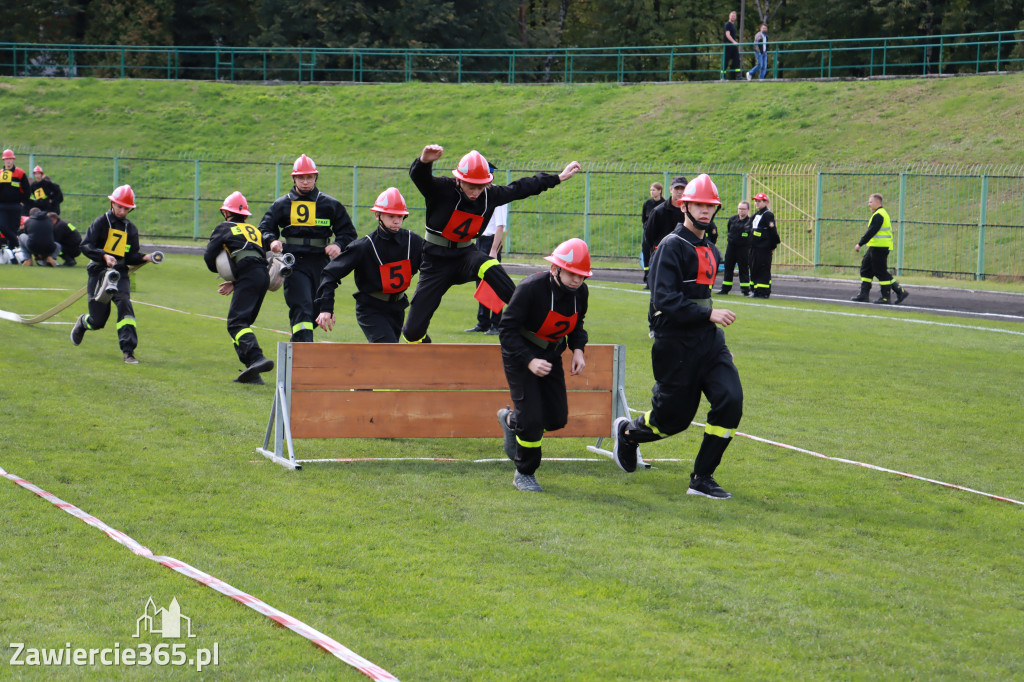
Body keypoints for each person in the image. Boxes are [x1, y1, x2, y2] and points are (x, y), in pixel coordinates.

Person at [611, 174, 742, 499]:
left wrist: (719, 350)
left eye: (710, 206)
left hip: (709, 343)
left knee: (730, 400)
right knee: (672, 421)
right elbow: (665, 300)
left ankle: (701, 478)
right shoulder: (670, 246)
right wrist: (708, 314)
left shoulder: (711, 248)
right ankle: (628, 434)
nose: (705, 211)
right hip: (675, 344)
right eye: (698, 204)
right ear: (685, 206)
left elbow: (701, 298)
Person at [402, 145, 581, 343]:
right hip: (435, 262)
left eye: (481, 186)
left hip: (465, 256)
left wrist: (558, 177)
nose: (476, 192)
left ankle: (527, 319)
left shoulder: (489, 195)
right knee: (411, 332)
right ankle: (424, 345)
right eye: (471, 186)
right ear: (459, 179)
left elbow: (522, 187)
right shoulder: (442, 189)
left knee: (489, 264)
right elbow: (420, 177)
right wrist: (425, 161)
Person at [497, 238, 591, 493]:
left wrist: (578, 350)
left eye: (582, 276)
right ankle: (524, 473)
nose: (577, 281)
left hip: (551, 356)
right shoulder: (530, 288)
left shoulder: (581, 292)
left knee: (557, 418)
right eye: (572, 273)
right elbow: (506, 331)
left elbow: (577, 325)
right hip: (520, 355)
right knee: (533, 421)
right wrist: (529, 359)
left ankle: (511, 421)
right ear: (555, 269)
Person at [258, 154, 357, 343]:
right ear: (294, 178)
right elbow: (263, 229)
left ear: (315, 178)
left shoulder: (330, 204)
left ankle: (300, 345)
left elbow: (348, 233)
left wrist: (338, 244)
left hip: (321, 264)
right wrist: (271, 240)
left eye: (309, 177)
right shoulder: (281, 204)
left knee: (318, 311)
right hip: (293, 263)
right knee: (301, 307)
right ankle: (303, 354)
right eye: (301, 177)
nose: (305, 182)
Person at [315, 187, 425, 343]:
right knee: (388, 350)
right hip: (370, 309)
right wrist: (326, 307)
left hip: (398, 307)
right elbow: (330, 273)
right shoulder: (363, 246)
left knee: (390, 357)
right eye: (391, 216)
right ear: (377, 215)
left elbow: (432, 269)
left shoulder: (413, 241)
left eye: (400, 217)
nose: (396, 221)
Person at [70, 185, 156, 364]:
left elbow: (131, 256)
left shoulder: (130, 229)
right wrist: (103, 256)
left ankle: (128, 351)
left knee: (125, 304)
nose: (122, 211)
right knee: (98, 321)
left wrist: (145, 257)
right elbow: (85, 246)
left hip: (120, 274)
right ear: (112, 203)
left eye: (126, 208)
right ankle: (83, 323)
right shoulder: (100, 223)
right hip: (98, 272)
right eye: (119, 207)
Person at [204, 191, 275, 384]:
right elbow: (254, 256)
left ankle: (257, 358)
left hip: (249, 275)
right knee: (242, 324)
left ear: (226, 213)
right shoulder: (254, 230)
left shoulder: (224, 228)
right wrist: (237, 282)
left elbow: (209, 257)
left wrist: (221, 270)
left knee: (236, 324)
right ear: (245, 215)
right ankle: (253, 373)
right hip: (262, 276)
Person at [852, 193, 909, 305]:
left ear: (878, 202)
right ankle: (864, 295)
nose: (869, 204)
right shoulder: (878, 214)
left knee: (880, 272)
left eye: (871, 202)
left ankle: (886, 297)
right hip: (875, 246)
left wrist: (860, 244)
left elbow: (871, 231)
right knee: (866, 268)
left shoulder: (879, 215)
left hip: (880, 247)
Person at [465, 196, 508, 335]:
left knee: (494, 283)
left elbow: (500, 226)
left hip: (490, 242)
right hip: (480, 240)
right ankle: (483, 322)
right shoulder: (482, 196)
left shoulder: (499, 197)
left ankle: (496, 324)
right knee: (480, 282)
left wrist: (494, 250)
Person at [642, 176, 687, 284]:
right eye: (677, 188)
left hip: (684, 257)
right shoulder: (658, 211)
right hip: (662, 256)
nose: (680, 191)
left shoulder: (690, 212)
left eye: (683, 188)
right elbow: (649, 236)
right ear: (671, 189)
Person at [717, 200, 753, 295]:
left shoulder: (750, 222)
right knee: (728, 267)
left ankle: (745, 290)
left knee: (743, 268)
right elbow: (729, 230)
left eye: (743, 209)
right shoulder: (732, 219)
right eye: (740, 209)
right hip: (731, 248)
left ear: (748, 210)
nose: (741, 211)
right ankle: (725, 289)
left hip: (744, 249)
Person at [749, 192, 780, 298]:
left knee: (763, 269)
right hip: (755, 247)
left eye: (759, 201)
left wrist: (772, 246)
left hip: (763, 247)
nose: (756, 203)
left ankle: (764, 292)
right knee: (755, 268)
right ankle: (756, 290)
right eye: (755, 201)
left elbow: (772, 231)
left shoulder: (768, 214)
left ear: (765, 202)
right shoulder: (758, 214)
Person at [0, 149, 31, 248]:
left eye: (10, 159)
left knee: (13, 228)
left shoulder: (20, 173)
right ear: (3, 160)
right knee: (2, 226)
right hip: (2, 205)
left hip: (16, 205)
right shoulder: (0, 173)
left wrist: (23, 201)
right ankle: (17, 241)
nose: (8, 161)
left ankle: (13, 252)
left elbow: (27, 189)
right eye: (6, 159)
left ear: (13, 160)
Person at [640, 182, 665, 287]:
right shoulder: (647, 204)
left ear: (660, 191)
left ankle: (658, 279)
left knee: (657, 256)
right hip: (648, 233)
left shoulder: (664, 203)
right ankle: (647, 277)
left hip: (659, 235)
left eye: (654, 190)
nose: (652, 192)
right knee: (646, 254)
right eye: (651, 190)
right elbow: (643, 219)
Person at [723, 11, 741, 80]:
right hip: (728, 45)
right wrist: (733, 41)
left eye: (734, 16)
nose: (733, 17)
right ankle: (723, 76)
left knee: (737, 60)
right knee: (726, 61)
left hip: (733, 45)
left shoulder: (733, 25)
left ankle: (738, 76)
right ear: (729, 16)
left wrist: (734, 43)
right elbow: (727, 34)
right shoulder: (727, 24)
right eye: (732, 15)